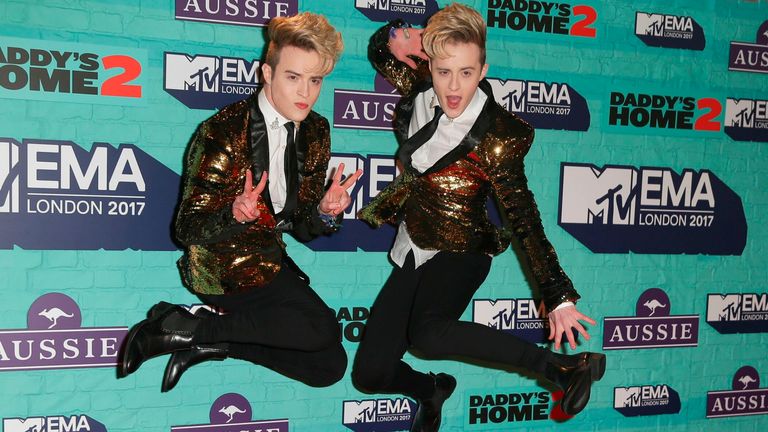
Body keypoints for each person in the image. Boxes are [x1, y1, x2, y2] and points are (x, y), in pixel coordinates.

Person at [351, 4, 605, 431]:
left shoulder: (498, 135)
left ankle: (562, 367)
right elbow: (382, 51)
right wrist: (396, 32)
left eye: (467, 73)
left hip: (464, 246)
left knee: (428, 334)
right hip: (416, 246)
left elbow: (525, 219)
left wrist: (557, 294)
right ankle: (431, 391)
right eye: (444, 71)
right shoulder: (419, 90)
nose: (454, 88)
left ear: (482, 69)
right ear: (429, 64)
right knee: (370, 373)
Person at [119, 12, 362, 393]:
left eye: (315, 80)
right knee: (322, 327)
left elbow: (303, 228)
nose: (305, 93)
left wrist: (323, 212)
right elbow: (185, 229)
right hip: (220, 265)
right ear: (267, 73)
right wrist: (232, 213)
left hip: (267, 259)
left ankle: (209, 341)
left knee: (328, 366)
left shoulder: (315, 130)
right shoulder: (223, 131)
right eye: (293, 77)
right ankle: (185, 328)